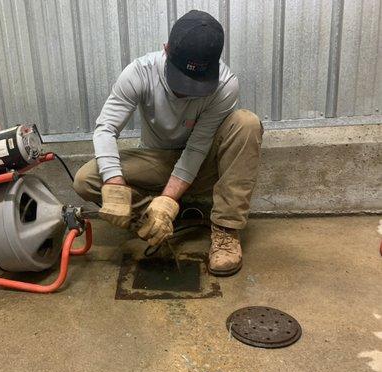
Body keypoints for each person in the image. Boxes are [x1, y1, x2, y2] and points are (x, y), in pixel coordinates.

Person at [73, 10, 263, 277]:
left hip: (206, 163)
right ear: (166, 49)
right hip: (159, 159)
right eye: (180, 80)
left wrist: (168, 198)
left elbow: (197, 147)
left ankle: (225, 231)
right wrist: (114, 183)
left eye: (195, 84)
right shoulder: (139, 73)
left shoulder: (226, 84)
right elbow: (105, 128)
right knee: (87, 179)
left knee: (247, 122)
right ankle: (151, 222)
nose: (185, 92)